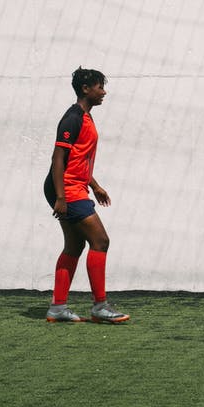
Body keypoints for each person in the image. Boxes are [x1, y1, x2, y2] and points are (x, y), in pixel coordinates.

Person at [43, 67, 129, 324]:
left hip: (74, 187)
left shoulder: (86, 118)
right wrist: (61, 197)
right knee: (100, 241)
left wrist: (95, 184)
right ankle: (100, 307)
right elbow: (58, 159)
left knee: (74, 244)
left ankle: (58, 308)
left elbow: (77, 159)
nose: (103, 92)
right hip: (67, 189)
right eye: (99, 87)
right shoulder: (73, 118)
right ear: (85, 89)